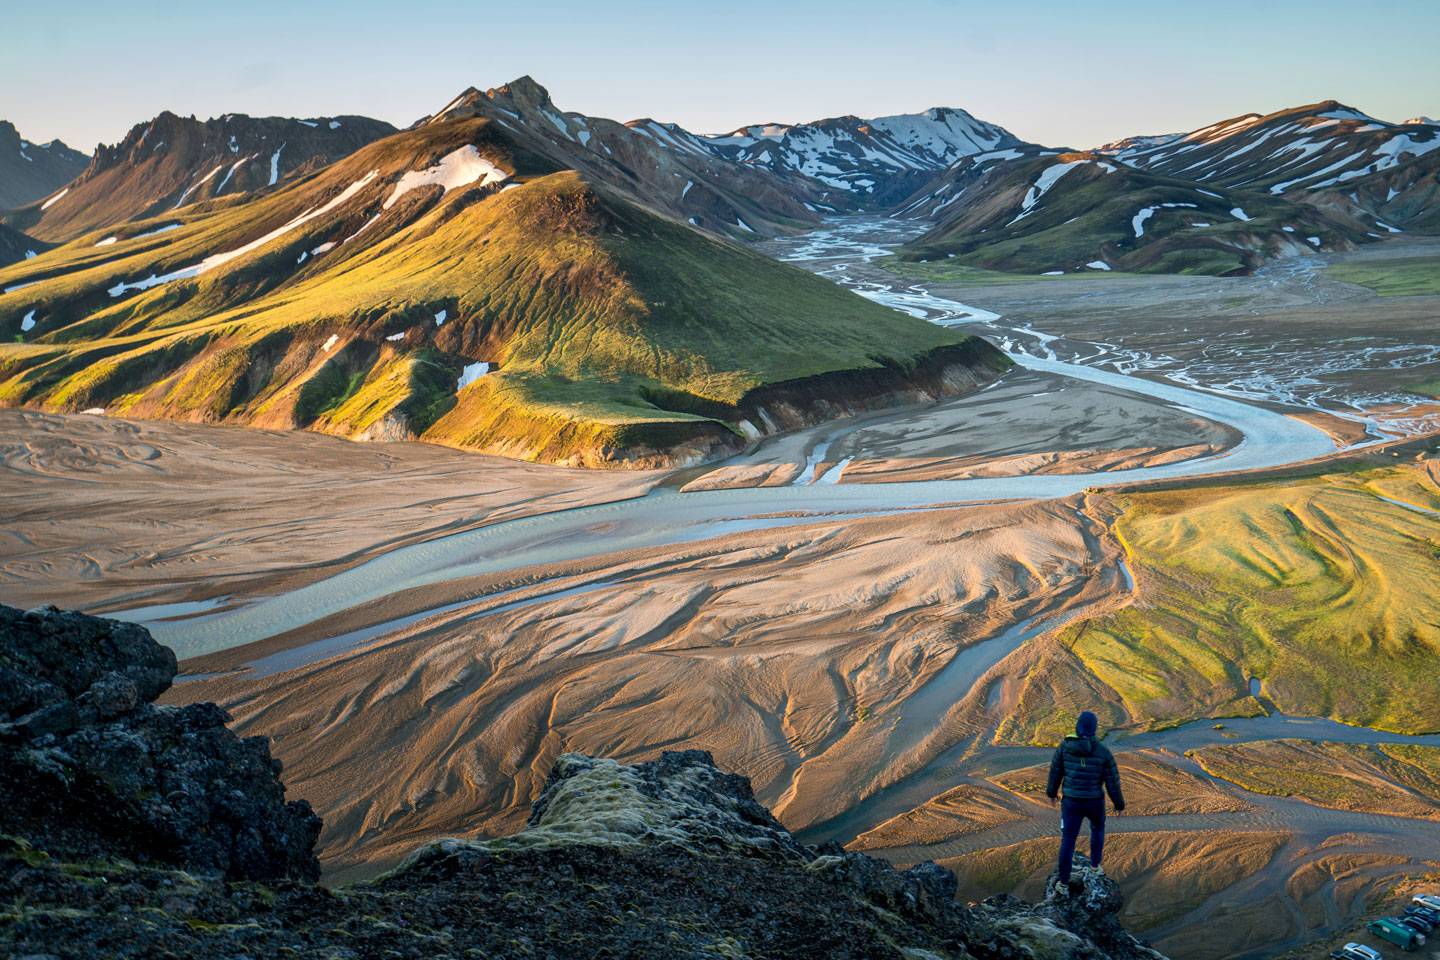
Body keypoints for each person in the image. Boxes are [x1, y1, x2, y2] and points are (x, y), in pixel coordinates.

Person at [1045, 710, 1125, 896]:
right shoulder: (1103, 752)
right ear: (1094, 729)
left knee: (1068, 840)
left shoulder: (1064, 748)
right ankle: (1095, 866)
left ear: (1077, 727)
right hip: (1095, 802)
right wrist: (1119, 805)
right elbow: (1112, 782)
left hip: (1071, 803)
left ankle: (1063, 885)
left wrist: (1051, 794)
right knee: (1097, 829)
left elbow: (1055, 773)